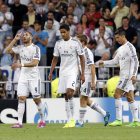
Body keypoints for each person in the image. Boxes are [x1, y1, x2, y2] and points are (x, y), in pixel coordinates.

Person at [98, 29, 140, 127]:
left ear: (123, 36)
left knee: (117, 94)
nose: (116, 40)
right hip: (124, 75)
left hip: (127, 76)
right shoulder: (121, 49)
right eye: (115, 38)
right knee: (130, 97)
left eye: (118, 38)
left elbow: (136, 61)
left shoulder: (130, 47)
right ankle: (136, 121)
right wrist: (104, 63)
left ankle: (118, 120)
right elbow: (114, 61)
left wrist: (134, 75)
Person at [5, 31, 46, 128]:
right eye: (23, 35)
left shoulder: (35, 48)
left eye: (26, 35)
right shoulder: (20, 48)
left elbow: (35, 63)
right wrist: (15, 39)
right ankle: (19, 123)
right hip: (23, 77)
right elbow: (7, 51)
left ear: (31, 37)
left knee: (36, 99)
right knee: (21, 98)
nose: (24, 37)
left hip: (34, 77)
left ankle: (43, 120)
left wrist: (21, 64)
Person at [48, 24, 85, 128]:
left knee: (70, 92)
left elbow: (82, 58)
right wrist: (51, 72)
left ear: (69, 31)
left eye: (64, 32)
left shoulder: (75, 43)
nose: (63, 34)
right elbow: (55, 59)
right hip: (63, 72)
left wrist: (82, 74)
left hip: (73, 72)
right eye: (61, 32)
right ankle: (69, 120)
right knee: (65, 96)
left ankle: (72, 120)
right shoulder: (58, 43)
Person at [74, 34, 110, 127]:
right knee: (87, 100)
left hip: (89, 78)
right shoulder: (80, 53)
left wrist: (93, 82)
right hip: (85, 79)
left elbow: (92, 67)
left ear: (82, 43)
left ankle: (81, 122)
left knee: (82, 98)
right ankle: (105, 113)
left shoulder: (87, 52)